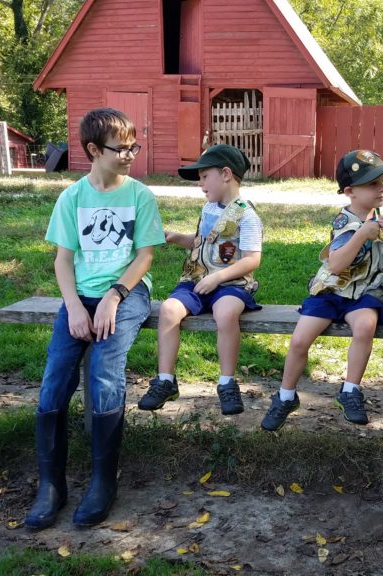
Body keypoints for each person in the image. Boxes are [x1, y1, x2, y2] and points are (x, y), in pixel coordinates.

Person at [25, 108, 165, 530]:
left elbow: (145, 255)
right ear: (92, 150)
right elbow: (63, 261)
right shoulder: (72, 198)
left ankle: (103, 481)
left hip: (127, 292)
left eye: (133, 147)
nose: (130, 155)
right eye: (121, 149)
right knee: (56, 378)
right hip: (80, 297)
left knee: (105, 370)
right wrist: (72, 306)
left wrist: (114, 296)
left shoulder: (139, 195)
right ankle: (51, 485)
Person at [261, 150, 383, 431]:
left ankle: (350, 390)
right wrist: (363, 234)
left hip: (365, 293)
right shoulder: (344, 222)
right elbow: (337, 264)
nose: (382, 188)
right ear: (351, 192)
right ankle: (285, 396)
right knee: (300, 339)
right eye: (373, 184)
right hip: (332, 291)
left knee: (365, 326)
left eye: (382, 181)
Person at [136, 144, 263, 416]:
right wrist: (177, 238)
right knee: (169, 309)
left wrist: (218, 278)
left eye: (205, 176)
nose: (200, 184)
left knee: (226, 311)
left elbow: (252, 259)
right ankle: (165, 380)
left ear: (226, 174)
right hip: (197, 280)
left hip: (230, 284)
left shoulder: (247, 215)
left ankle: (227, 383)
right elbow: (203, 244)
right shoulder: (209, 209)